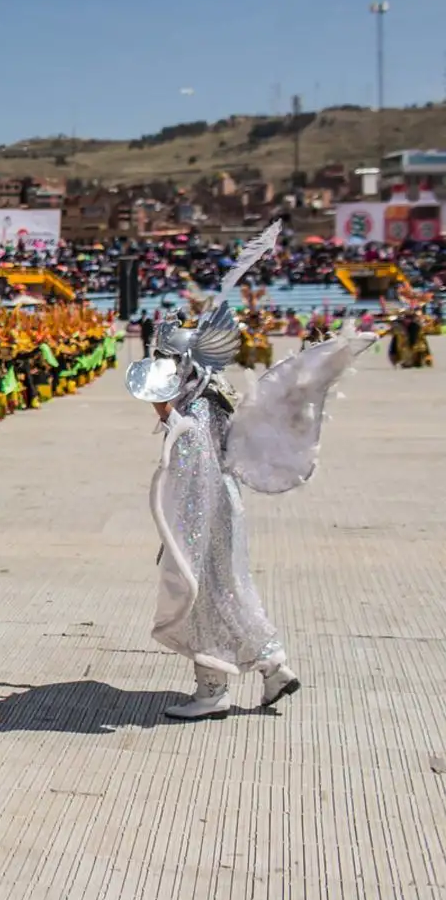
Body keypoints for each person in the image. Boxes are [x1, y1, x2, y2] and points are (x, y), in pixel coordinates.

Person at [126, 223, 346, 720]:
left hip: (205, 512)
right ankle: (273, 666)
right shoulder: (212, 395)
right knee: (231, 590)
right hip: (225, 506)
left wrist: (181, 532)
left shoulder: (194, 413)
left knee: (202, 595)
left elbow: (193, 469)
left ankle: (211, 692)